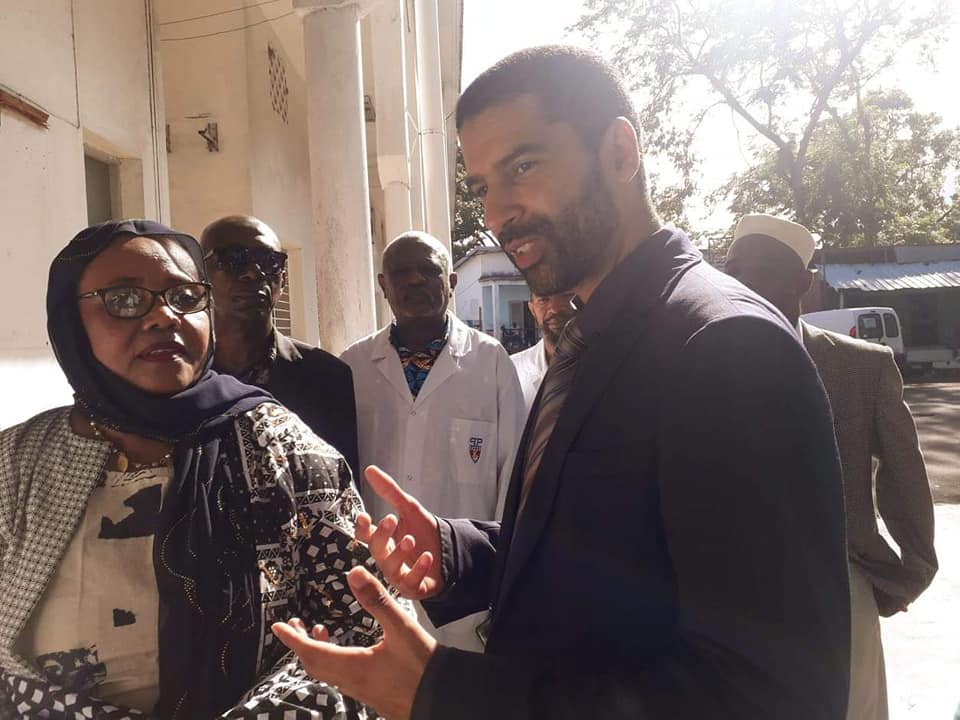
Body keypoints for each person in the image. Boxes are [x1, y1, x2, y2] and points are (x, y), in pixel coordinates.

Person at [273, 46, 852, 720]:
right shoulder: (590, 333)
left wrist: (444, 693)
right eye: (482, 184)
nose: (497, 212)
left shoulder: (724, 347)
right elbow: (603, 563)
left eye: (523, 166)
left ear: (620, 150)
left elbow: (773, 697)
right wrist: (458, 550)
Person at [0, 219, 394, 719]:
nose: (164, 316)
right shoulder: (17, 463)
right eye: (124, 299)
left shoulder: (287, 448)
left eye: (184, 296)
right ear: (70, 322)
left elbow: (360, 621)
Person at [724, 213, 938, 720]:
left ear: (806, 280)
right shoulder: (692, 363)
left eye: (766, 269)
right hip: (725, 595)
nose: (746, 283)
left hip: (839, 592)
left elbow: (906, 476)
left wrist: (904, 576)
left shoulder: (864, 367)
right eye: (735, 270)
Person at [340, 231, 524, 651]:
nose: (416, 281)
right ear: (383, 285)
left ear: (452, 282)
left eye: (429, 270)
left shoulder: (491, 362)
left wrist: (499, 576)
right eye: (401, 273)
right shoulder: (352, 367)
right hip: (374, 578)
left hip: (465, 587)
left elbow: (513, 472)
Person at [200, 215, 359, 478]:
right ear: (201, 276)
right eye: (232, 259)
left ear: (283, 281)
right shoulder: (182, 376)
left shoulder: (329, 378)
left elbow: (344, 486)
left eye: (268, 261)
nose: (253, 272)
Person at [510, 290, 575, 413]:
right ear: (532, 309)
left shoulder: (604, 367)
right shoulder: (512, 369)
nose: (554, 309)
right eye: (543, 300)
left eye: (564, 296)